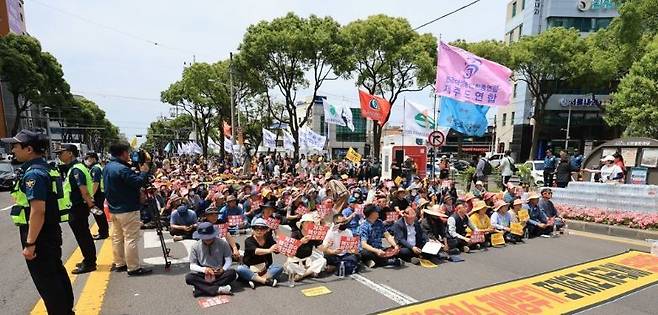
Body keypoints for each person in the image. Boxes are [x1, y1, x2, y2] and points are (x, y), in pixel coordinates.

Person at [3, 130, 74, 314]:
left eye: (16, 146)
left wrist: (30, 243)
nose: (13, 150)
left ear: (28, 149)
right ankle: (66, 310)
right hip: (49, 232)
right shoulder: (46, 168)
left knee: (47, 281)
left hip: (39, 235)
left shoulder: (33, 174)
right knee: (56, 273)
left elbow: (37, 211)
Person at [103, 141, 152, 276]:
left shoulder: (108, 167)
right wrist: (143, 172)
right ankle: (134, 267)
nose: (130, 155)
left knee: (117, 237)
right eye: (128, 152)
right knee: (131, 238)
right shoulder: (122, 169)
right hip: (127, 208)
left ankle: (120, 263)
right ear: (123, 153)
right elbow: (137, 183)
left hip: (114, 208)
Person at [55, 144, 98, 274]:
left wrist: (91, 205)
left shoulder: (76, 169)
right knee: (83, 235)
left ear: (70, 153)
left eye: (61, 153)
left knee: (83, 236)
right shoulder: (75, 168)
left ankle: (90, 262)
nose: (59, 156)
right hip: (77, 207)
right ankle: (89, 259)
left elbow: (83, 190)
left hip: (78, 208)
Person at [185, 222, 236, 297]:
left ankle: (200, 288)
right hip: (204, 273)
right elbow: (192, 265)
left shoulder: (223, 243)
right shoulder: (195, 246)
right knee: (189, 277)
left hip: (218, 271)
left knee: (232, 273)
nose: (207, 239)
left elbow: (228, 259)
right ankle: (218, 289)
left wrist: (223, 269)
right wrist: (204, 269)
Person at [237, 218, 282, 288]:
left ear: (266, 230)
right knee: (240, 269)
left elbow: (276, 247)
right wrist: (269, 250)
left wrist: (277, 247)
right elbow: (256, 251)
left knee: (279, 268)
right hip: (250, 267)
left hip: (265, 268)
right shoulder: (248, 240)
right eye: (256, 228)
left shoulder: (269, 238)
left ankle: (256, 279)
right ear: (253, 230)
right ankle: (265, 281)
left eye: (262, 228)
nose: (259, 231)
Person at [287, 214, 327, 281]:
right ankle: (310, 272)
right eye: (307, 222)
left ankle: (302, 275)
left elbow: (321, 248)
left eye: (311, 223)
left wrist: (327, 244)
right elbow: (289, 250)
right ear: (302, 224)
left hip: (308, 259)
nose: (309, 225)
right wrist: (300, 242)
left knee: (323, 261)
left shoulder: (313, 234)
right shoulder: (296, 233)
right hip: (296, 259)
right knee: (289, 266)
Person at [85, 152, 109, 240]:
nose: (87, 160)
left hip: (98, 194)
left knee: (98, 214)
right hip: (99, 193)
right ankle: (103, 232)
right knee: (99, 214)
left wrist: (91, 196)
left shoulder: (95, 169)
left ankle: (103, 233)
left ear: (94, 158)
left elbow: (95, 183)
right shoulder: (96, 167)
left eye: (89, 158)